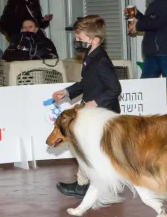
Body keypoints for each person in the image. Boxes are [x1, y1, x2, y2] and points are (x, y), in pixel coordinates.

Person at [52, 15, 122, 198]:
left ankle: (84, 186)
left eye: (80, 38)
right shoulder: (89, 55)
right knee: (88, 148)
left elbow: (115, 88)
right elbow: (86, 83)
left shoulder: (101, 61)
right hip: (95, 111)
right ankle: (85, 185)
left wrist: (95, 102)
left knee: (87, 148)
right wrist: (66, 92)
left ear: (95, 40)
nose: (77, 41)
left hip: (104, 113)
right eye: (77, 38)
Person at [127, 0, 167, 115]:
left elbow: (157, 22)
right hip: (155, 51)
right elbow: (151, 21)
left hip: (166, 50)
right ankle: (145, 114)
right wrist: (137, 14)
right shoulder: (154, 1)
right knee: (146, 84)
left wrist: (137, 25)